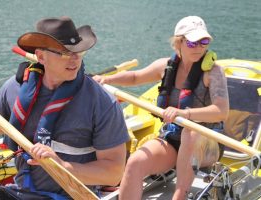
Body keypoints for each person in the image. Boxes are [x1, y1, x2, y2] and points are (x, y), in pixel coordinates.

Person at [0, 16, 129, 199]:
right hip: (21, 192)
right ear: (41, 56)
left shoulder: (101, 102)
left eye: (79, 52)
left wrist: (62, 166)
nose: (74, 59)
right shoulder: (16, 87)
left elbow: (113, 173)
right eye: (64, 53)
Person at [93, 16, 229, 200]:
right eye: (193, 43)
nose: (200, 47)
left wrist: (185, 113)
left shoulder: (213, 72)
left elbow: (221, 111)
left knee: (190, 131)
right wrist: (107, 80)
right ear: (178, 42)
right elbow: (135, 77)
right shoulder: (166, 66)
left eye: (204, 42)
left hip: (206, 143)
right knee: (135, 163)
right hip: (173, 139)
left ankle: (180, 195)